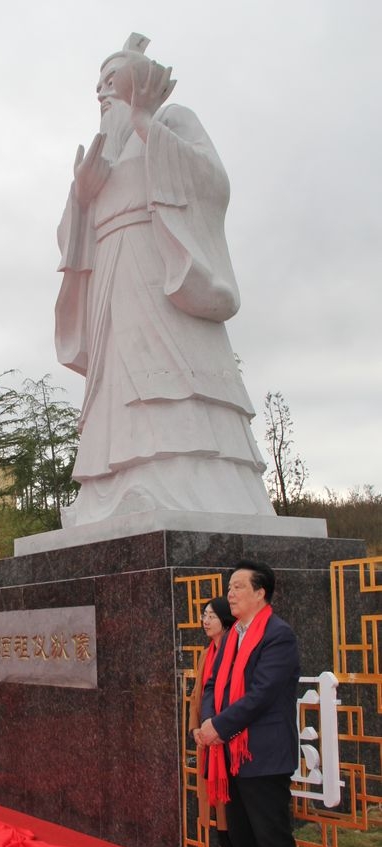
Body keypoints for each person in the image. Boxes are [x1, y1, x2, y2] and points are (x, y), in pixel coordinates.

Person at [55, 33, 275, 527]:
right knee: (116, 379)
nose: (102, 93)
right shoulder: (102, 149)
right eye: (98, 86)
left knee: (171, 373)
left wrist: (147, 124)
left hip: (158, 265)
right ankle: (112, 488)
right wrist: (84, 196)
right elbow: (72, 235)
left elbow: (212, 182)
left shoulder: (171, 121)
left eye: (111, 79)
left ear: (142, 77)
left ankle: (185, 482)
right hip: (111, 271)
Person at [199, 561, 302, 847]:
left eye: (238, 586)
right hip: (230, 752)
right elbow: (212, 684)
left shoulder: (278, 636)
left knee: (273, 843)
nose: (230, 593)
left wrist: (217, 728)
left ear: (261, 593)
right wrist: (210, 721)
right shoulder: (229, 639)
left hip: (263, 754)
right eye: (229, 586)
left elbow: (260, 695)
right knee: (244, 836)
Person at [188, 596, 240, 847]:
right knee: (216, 809)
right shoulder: (206, 654)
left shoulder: (235, 653)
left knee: (230, 812)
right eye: (203, 615)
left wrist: (216, 729)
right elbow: (197, 696)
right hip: (207, 743)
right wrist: (195, 729)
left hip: (226, 743)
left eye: (211, 615)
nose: (205, 621)